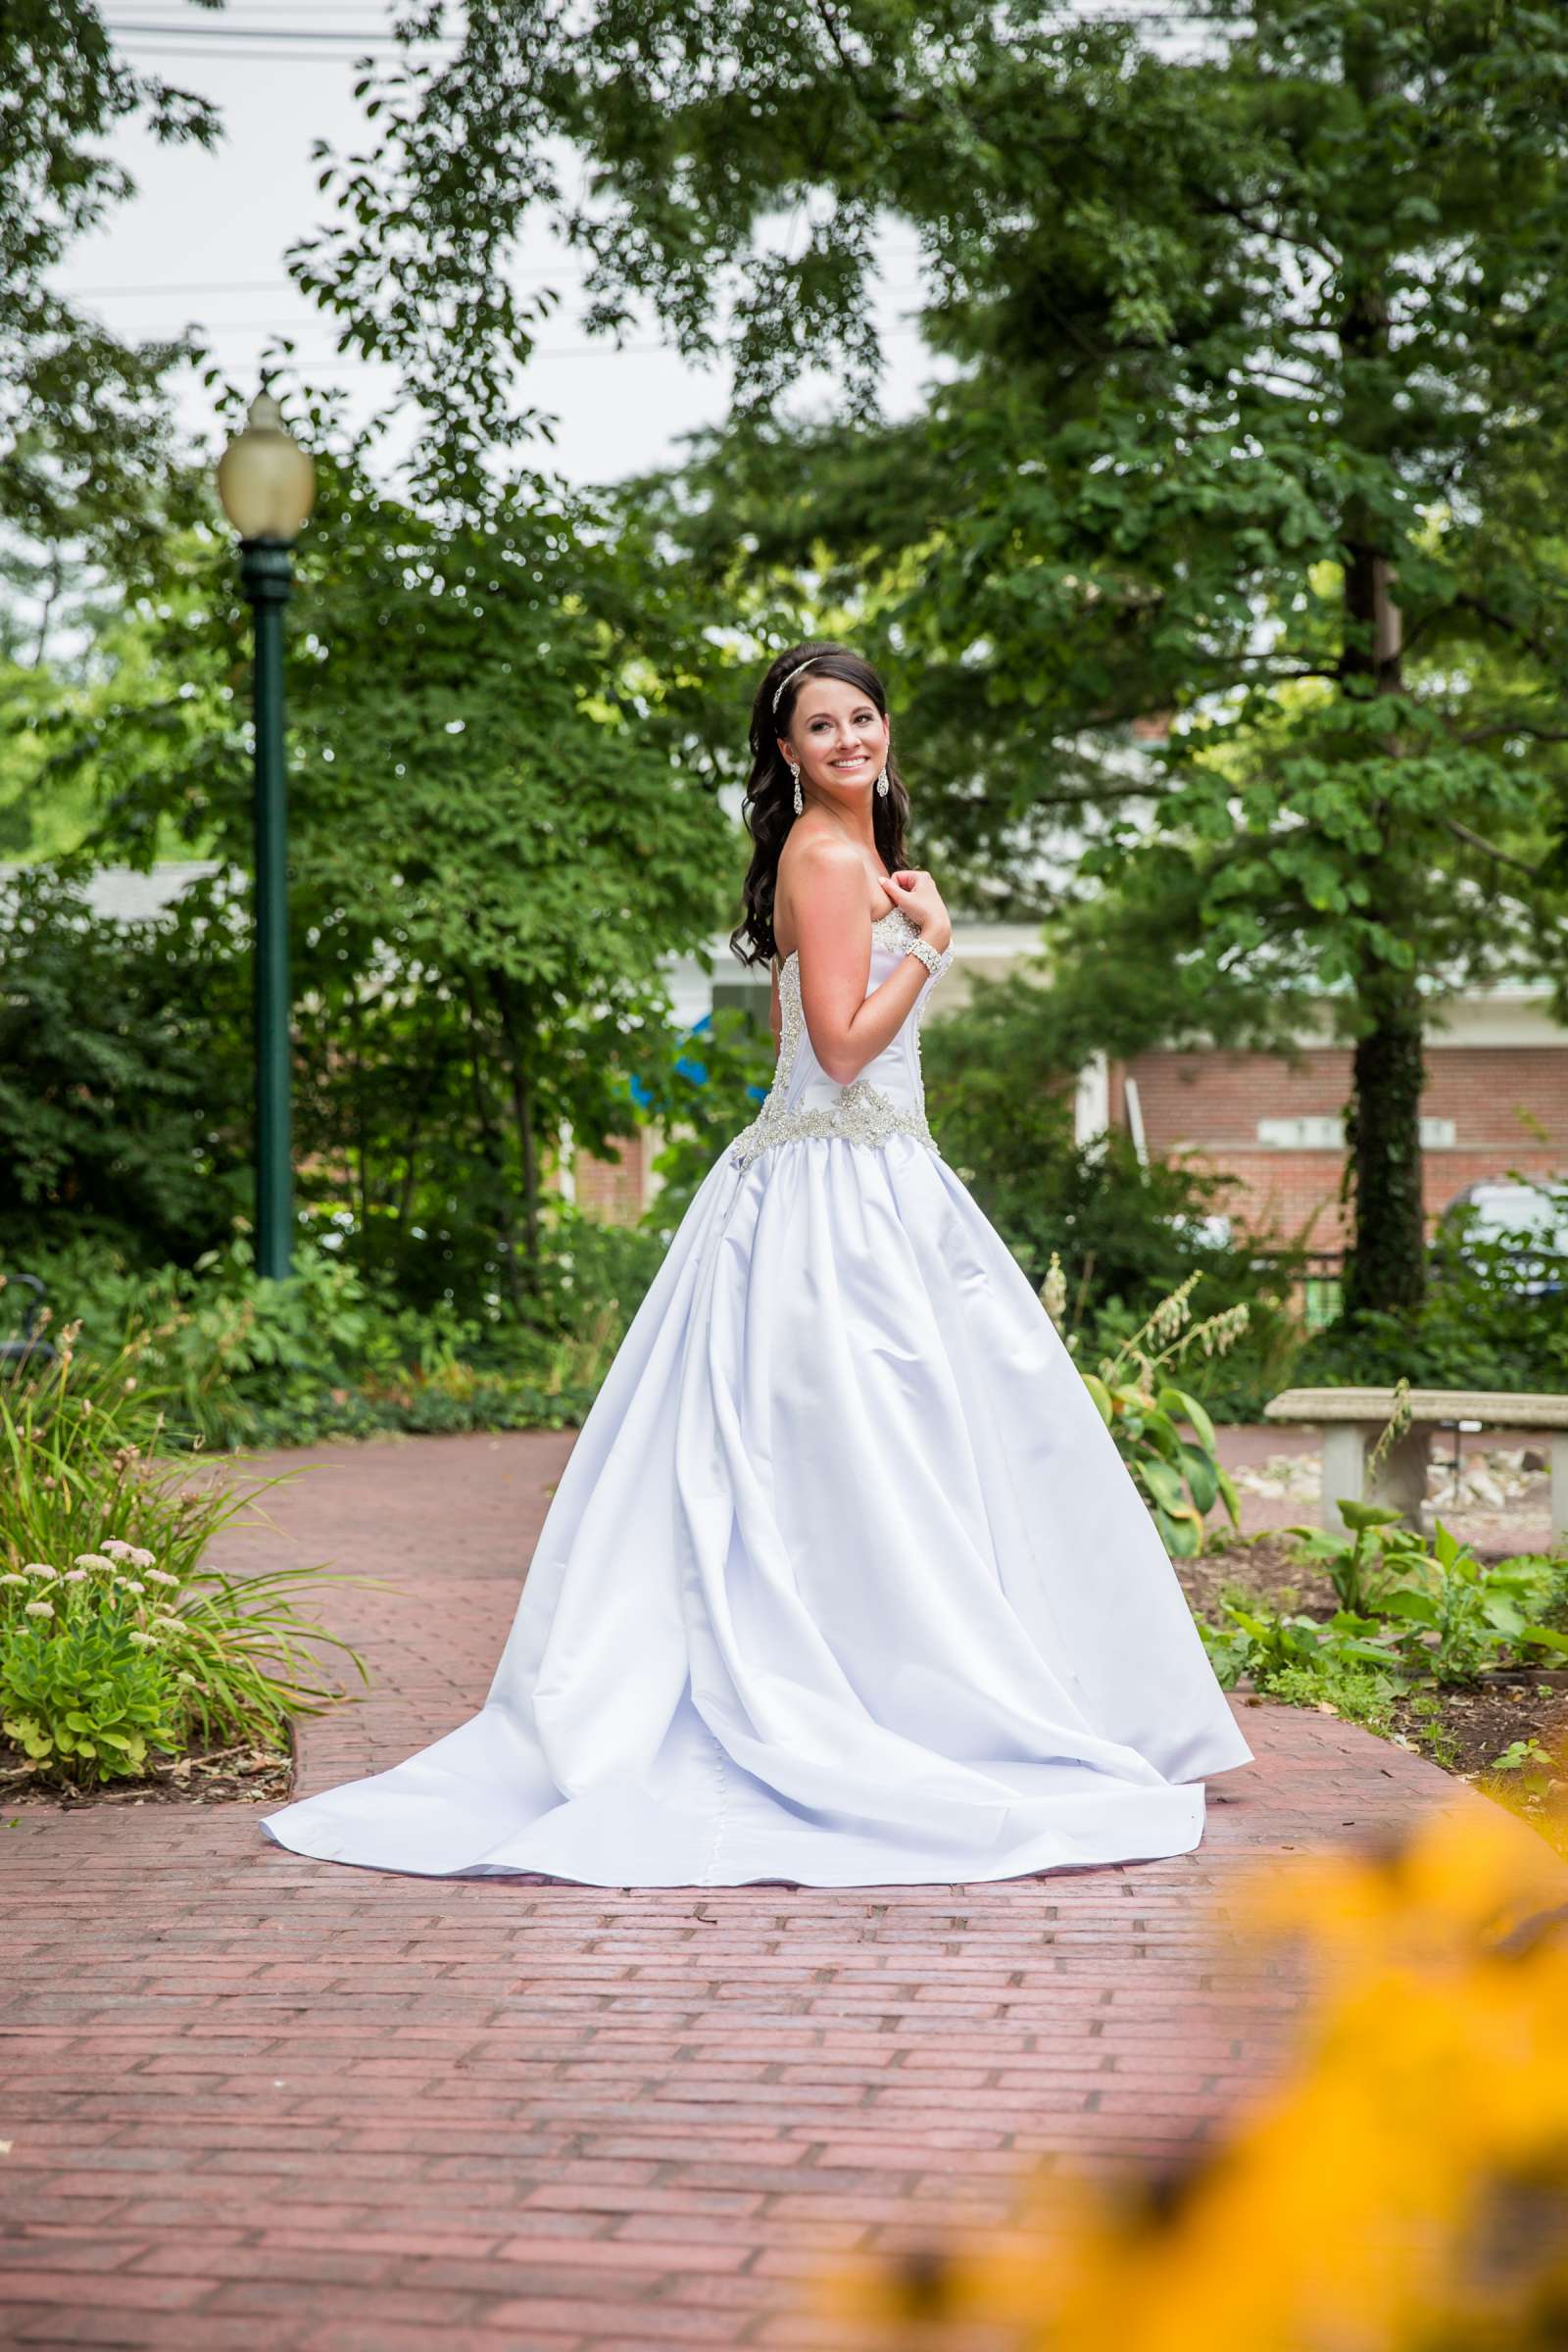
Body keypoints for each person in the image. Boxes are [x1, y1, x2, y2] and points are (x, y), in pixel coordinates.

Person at [261, 642, 1251, 1889]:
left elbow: (814, 1051)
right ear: (785, 752)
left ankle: (901, 1683)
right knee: (882, 1448)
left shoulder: (840, 857)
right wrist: (931, 948)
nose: (849, 738)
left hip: (858, 1176)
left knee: (886, 1457)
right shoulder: (832, 858)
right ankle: (899, 1700)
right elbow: (839, 1055)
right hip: (839, 1193)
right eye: (820, 726)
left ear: (886, 730)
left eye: (864, 717)